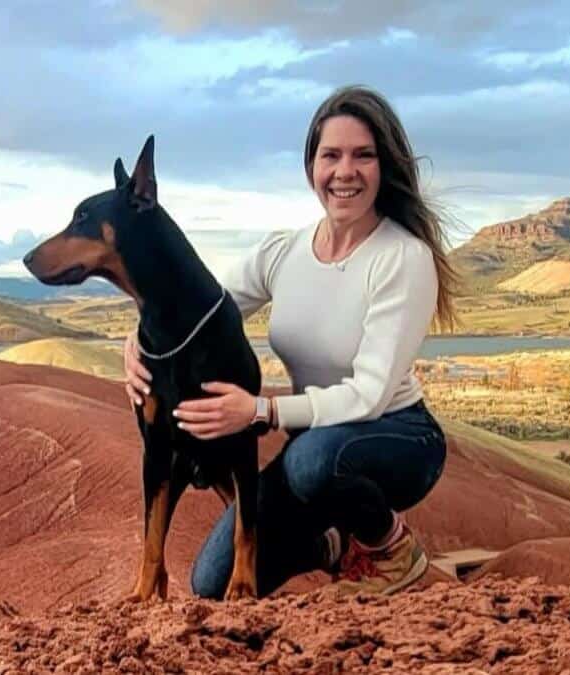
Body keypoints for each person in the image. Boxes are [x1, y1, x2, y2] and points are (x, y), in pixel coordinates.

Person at [123, 85, 458, 598]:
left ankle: (391, 550)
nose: (345, 171)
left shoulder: (403, 258)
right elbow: (198, 307)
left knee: (310, 462)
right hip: (316, 440)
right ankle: (332, 545)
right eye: (331, 155)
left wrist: (261, 412)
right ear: (311, 168)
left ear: (384, 166)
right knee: (212, 582)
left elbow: (368, 396)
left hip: (397, 437)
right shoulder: (285, 251)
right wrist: (137, 342)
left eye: (363, 155)